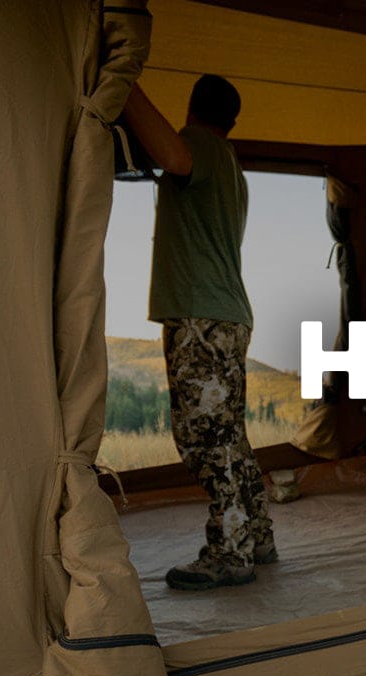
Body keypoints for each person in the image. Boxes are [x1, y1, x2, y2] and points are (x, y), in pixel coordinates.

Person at [121, 74, 276, 590]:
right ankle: (256, 537)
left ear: (191, 109)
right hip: (225, 316)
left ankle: (229, 554)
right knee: (230, 437)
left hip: (200, 319)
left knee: (204, 439)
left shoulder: (201, 147)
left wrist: (125, 86)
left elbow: (175, 155)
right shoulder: (230, 164)